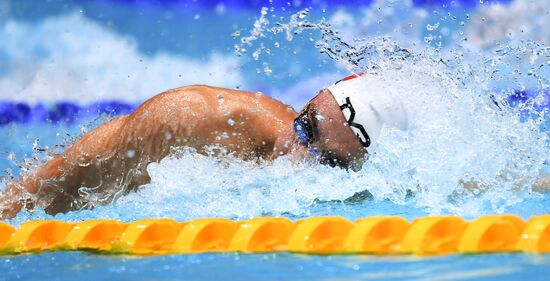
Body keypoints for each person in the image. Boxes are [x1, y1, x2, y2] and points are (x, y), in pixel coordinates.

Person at [0, 73, 410, 219]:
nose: (298, 154)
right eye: (305, 128)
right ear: (304, 107)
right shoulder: (194, 118)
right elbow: (33, 196)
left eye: (331, 162)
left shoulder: (372, 193)